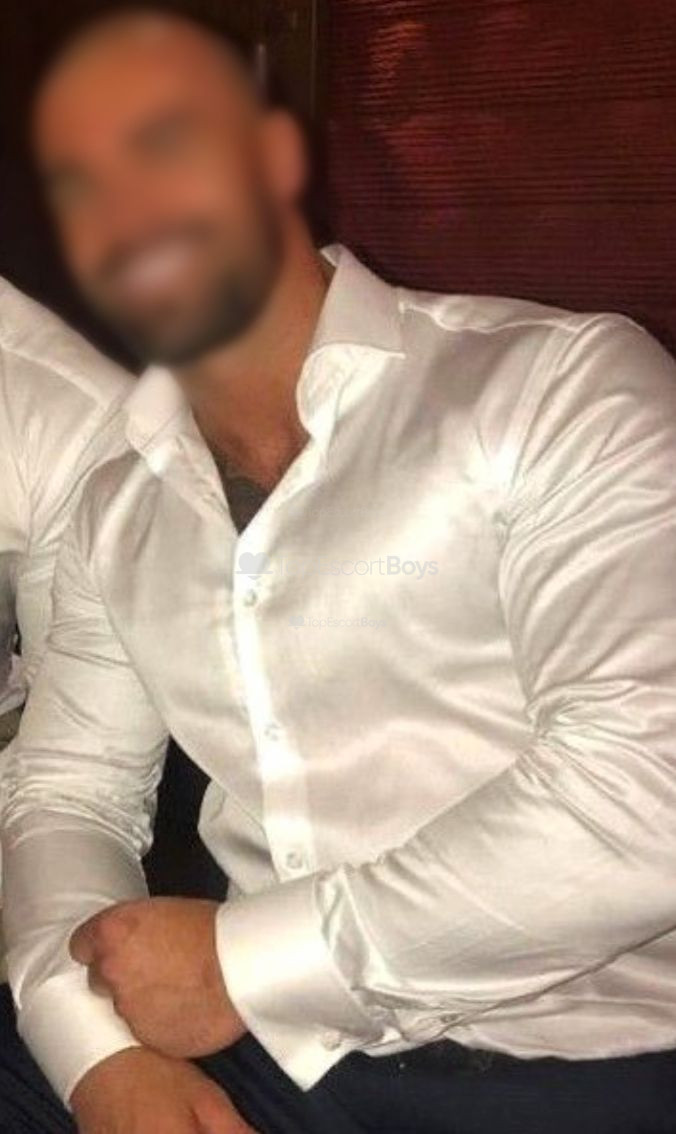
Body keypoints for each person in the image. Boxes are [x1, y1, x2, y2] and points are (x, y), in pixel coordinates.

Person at [3, 6, 676, 1133]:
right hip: (275, 1057)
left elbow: (649, 789)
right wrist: (98, 1056)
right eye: (79, 184)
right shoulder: (116, 500)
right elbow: (67, 791)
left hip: (573, 1057)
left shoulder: (561, 391)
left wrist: (244, 967)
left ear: (274, 154)